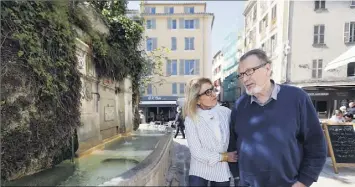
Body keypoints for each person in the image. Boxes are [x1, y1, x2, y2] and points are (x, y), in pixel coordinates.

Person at [229, 49, 327, 187]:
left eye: (249, 72)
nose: (245, 79)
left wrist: (304, 181)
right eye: (241, 75)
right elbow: (233, 147)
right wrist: (238, 178)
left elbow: (316, 145)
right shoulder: (240, 106)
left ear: (267, 68)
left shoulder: (297, 98)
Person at [183, 77, 237, 186]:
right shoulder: (191, 119)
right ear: (197, 99)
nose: (213, 94)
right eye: (208, 92)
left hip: (221, 171)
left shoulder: (226, 113)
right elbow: (196, 151)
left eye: (212, 89)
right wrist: (224, 157)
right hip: (199, 170)